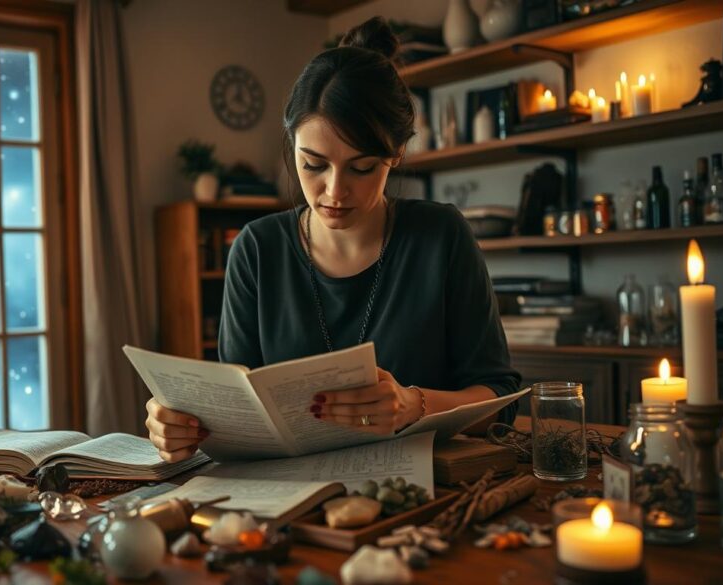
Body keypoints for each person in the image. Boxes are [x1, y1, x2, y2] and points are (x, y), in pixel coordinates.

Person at [145, 17, 521, 463]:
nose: (335, 191)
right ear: (292, 147)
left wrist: (413, 405)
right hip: (289, 499)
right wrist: (180, 424)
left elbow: (502, 399)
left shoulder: (440, 237)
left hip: (423, 491)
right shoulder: (257, 249)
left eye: (362, 168)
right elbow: (237, 410)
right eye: (313, 165)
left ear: (396, 153)